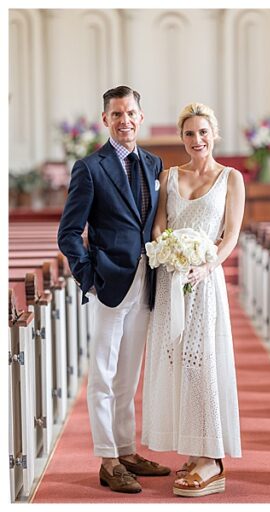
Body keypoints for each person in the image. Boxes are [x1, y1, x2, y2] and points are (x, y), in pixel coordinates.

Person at [57, 85, 172, 494]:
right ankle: (107, 458)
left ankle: (126, 449)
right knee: (103, 377)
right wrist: (88, 276)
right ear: (105, 120)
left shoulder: (154, 162)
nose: (125, 120)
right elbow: (69, 232)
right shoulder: (89, 168)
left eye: (131, 113)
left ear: (141, 117)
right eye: (116, 114)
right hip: (108, 283)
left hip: (146, 282)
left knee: (128, 377)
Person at [140, 102, 245, 498]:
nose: (196, 140)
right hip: (171, 280)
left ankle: (211, 458)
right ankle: (192, 446)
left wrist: (207, 265)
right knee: (174, 362)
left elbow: (231, 234)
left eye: (203, 132)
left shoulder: (231, 178)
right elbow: (161, 223)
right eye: (189, 133)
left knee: (202, 364)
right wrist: (166, 250)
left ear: (213, 134)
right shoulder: (169, 176)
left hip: (204, 282)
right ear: (181, 138)